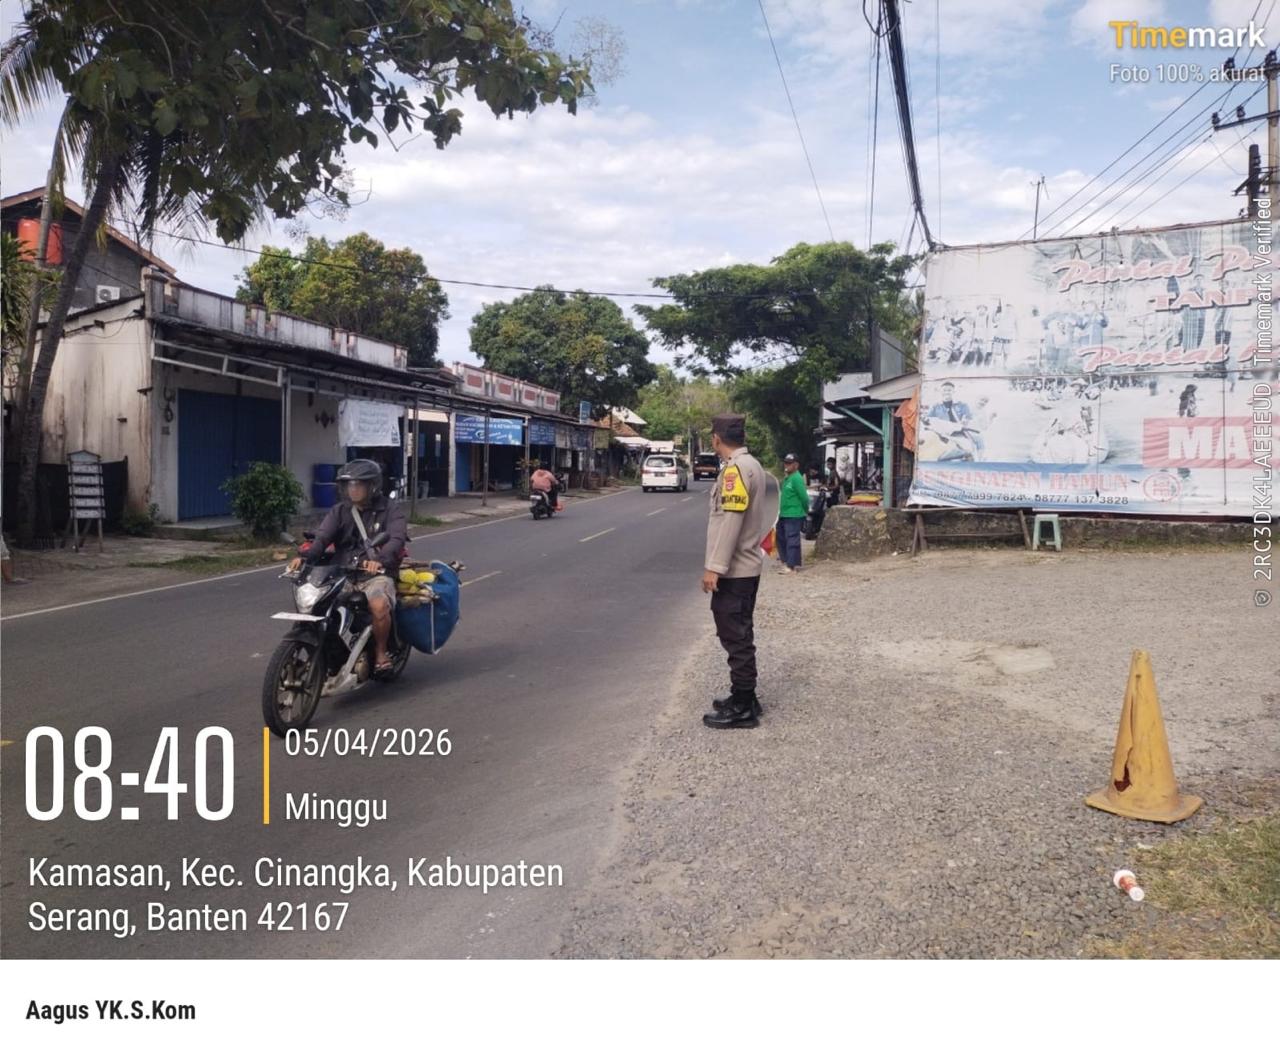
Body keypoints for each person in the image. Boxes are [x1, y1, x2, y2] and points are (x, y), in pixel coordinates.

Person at [288, 459, 407, 674]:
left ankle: (381, 653)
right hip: (342, 573)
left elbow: (396, 539)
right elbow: (322, 538)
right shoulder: (340, 511)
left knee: (379, 606)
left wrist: (380, 560)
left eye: (359, 484)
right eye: (350, 485)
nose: (353, 489)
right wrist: (304, 557)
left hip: (375, 574)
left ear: (373, 485)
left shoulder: (391, 510)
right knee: (315, 603)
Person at [701, 413, 770, 730]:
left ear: (716, 438)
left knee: (735, 636)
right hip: (745, 567)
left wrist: (715, 567)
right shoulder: (751, 465)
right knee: (739, 631)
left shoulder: (735, 470)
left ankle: (743, 707)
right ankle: (745, 696)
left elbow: (731, 520)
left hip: (735, 570)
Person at [776, 453, 807, 574]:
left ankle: (792, 566)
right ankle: (786, 561)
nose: (787, 465)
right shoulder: (787, 478)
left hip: (794, 514)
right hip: (784, 513)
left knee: (792, 539)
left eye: (789, 463)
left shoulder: (797, 478)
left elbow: (804, 497)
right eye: (786, 463)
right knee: (780, 538)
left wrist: (805, 510)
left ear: (796, 465)